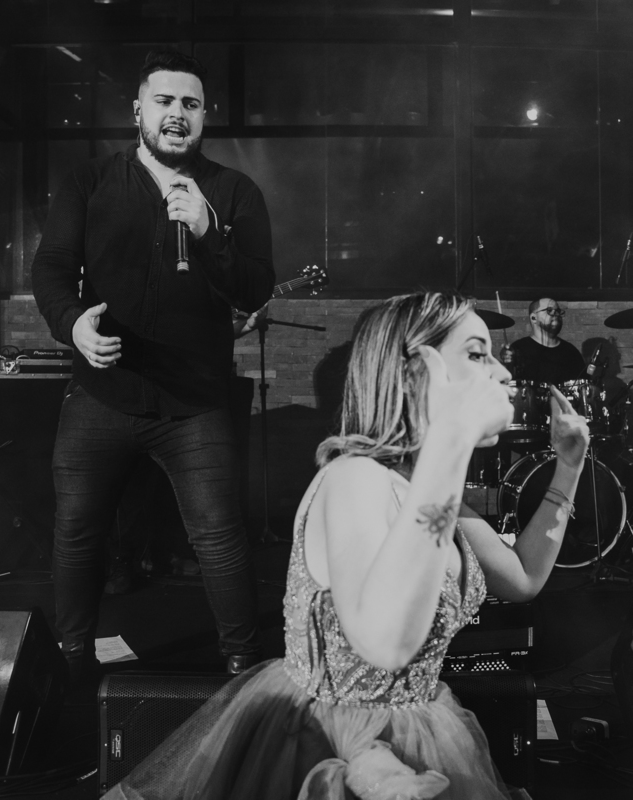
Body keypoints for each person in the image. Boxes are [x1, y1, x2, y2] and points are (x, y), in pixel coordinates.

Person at [102, 292, 589, 800]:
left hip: (418, 728)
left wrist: (569, 467)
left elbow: (523, 578)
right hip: (325, 745)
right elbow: (386, 644)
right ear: (414, 372)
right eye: (476, 353)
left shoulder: (426, 488)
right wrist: (453, 439)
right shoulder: (355, 478)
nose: (503, 373)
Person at [31, 49, 275, 680]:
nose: (177, 114)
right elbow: (52, 268)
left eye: (190, 104)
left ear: (204, 116)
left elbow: (255, 287)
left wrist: (208, 233)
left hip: (194, 402)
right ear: (137, 109)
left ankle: (243, 665)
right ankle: (73, 659)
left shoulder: (233, 192)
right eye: (164, 101)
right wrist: (73, 324)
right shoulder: (89, 182)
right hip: (101, 392)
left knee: (218, 534)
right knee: (78, 531)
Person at [507, 297, 587, 385]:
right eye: (549, 310)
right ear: (533, 318)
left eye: (558, 311)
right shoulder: (518, 348)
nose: (556, 314)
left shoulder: (571, 352)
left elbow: (583, 386)